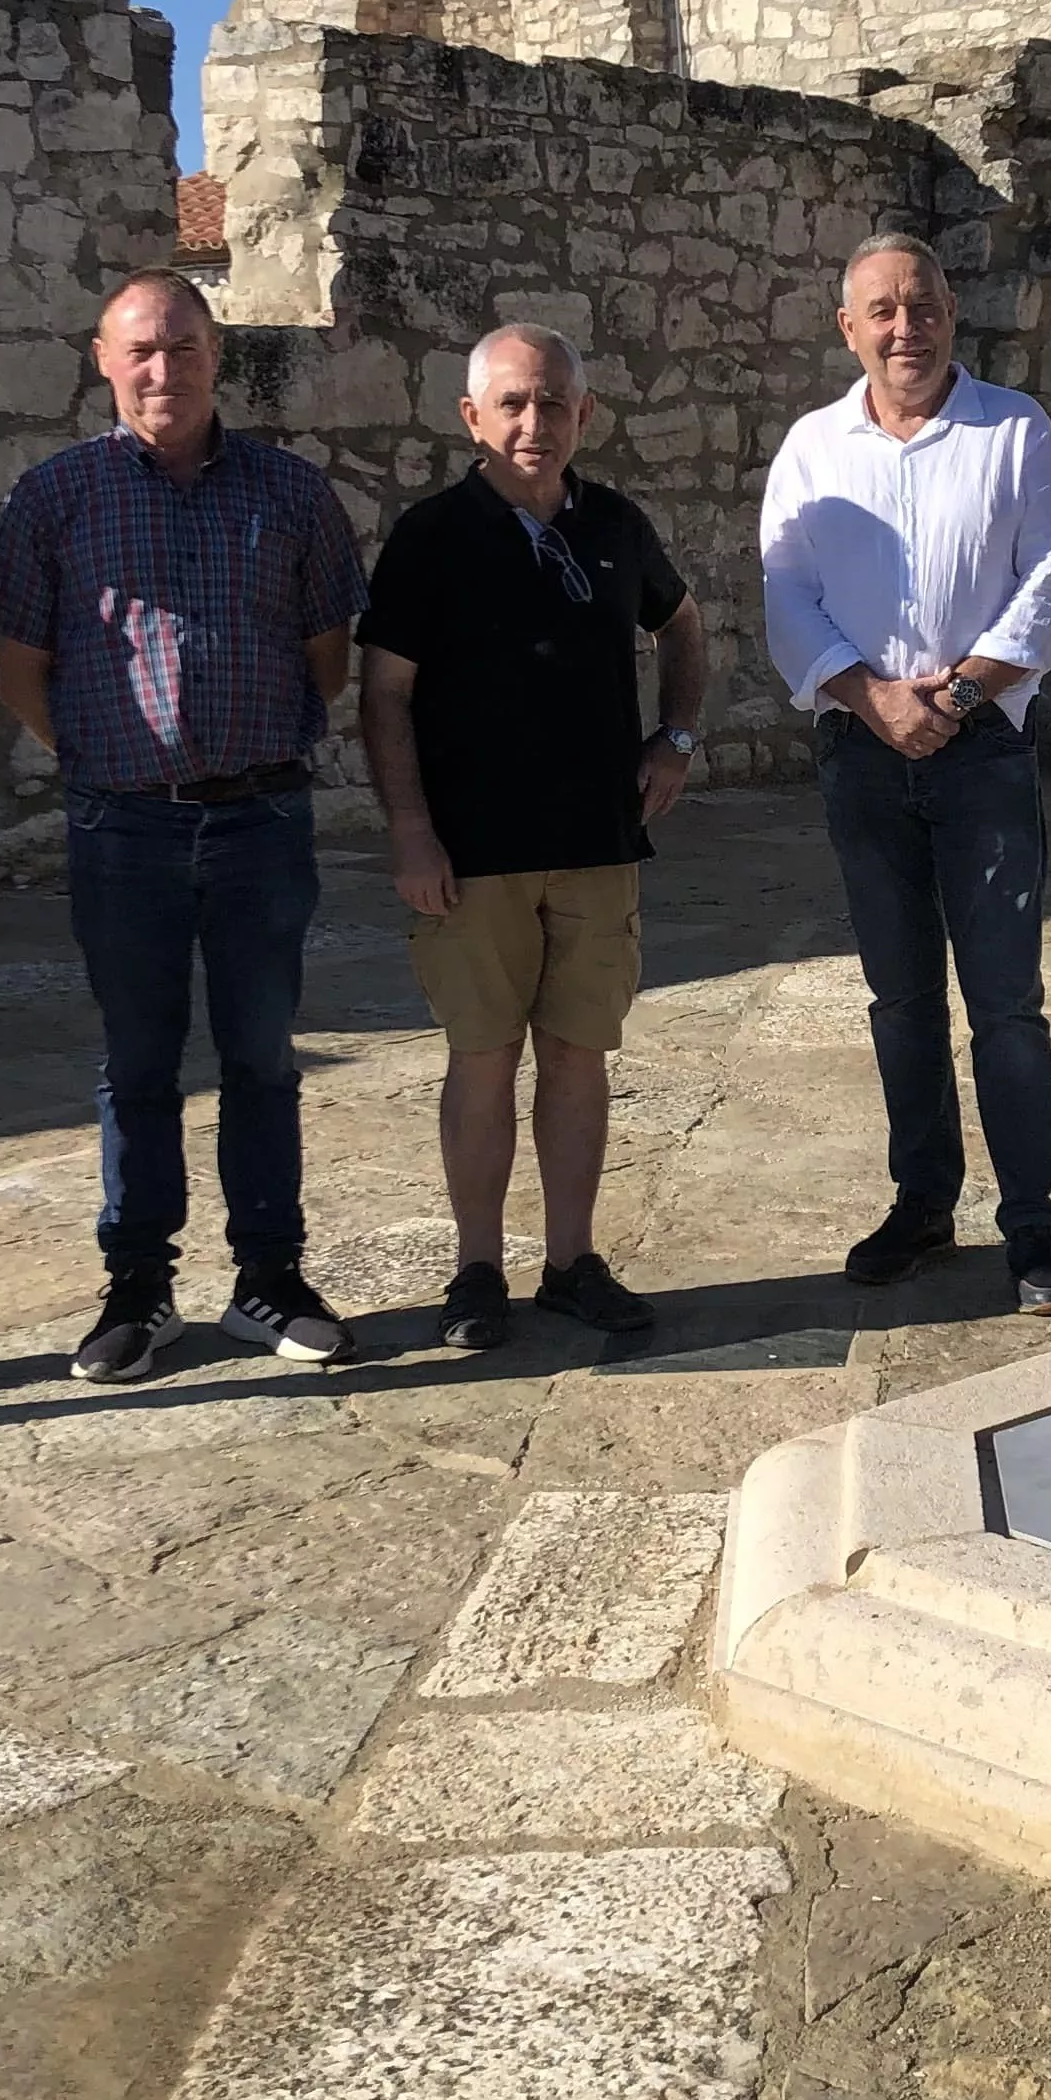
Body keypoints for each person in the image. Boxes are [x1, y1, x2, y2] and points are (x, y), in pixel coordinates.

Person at [0, 273, 367, 1384]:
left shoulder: (291, 494)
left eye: (184, 348)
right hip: (125, 831)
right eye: (141, 350)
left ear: (216, 357)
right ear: (104, 360)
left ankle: (268, 1280)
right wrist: (111, 766)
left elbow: (327, 654)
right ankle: (138, 1289)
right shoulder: (55, 498)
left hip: (258, 823)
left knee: (262, 1058)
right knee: (137, 1065)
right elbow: (20, 672)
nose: (163, 370)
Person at [359, 327, 711, 1351]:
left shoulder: (617, 525)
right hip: (471, 856)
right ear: (472, 417)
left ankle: (571, 1259)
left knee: (578, 1055)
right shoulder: (431, 537)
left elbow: (681, 624)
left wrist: (677, 737)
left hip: (597, 843)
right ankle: (476, 1268)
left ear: (583, 416)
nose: (533, 423)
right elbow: (385, 693)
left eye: (553, 403)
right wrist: (412, 832)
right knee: (481, 1058)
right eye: (511, 403)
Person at [758, 233, 1051, 1313]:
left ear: (953, 314)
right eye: (883, 311)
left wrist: (951, 698)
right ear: (848, 329)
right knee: (900, 997)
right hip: (862, 750)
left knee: (1006, 1003)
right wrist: (874, 698)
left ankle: (1032, 1229)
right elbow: (786, 594)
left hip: (980, 746)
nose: (908, 327)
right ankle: (922, 1203)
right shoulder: (812, 447)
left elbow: (1048, 586)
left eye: (924, 305)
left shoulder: (1012, 429)